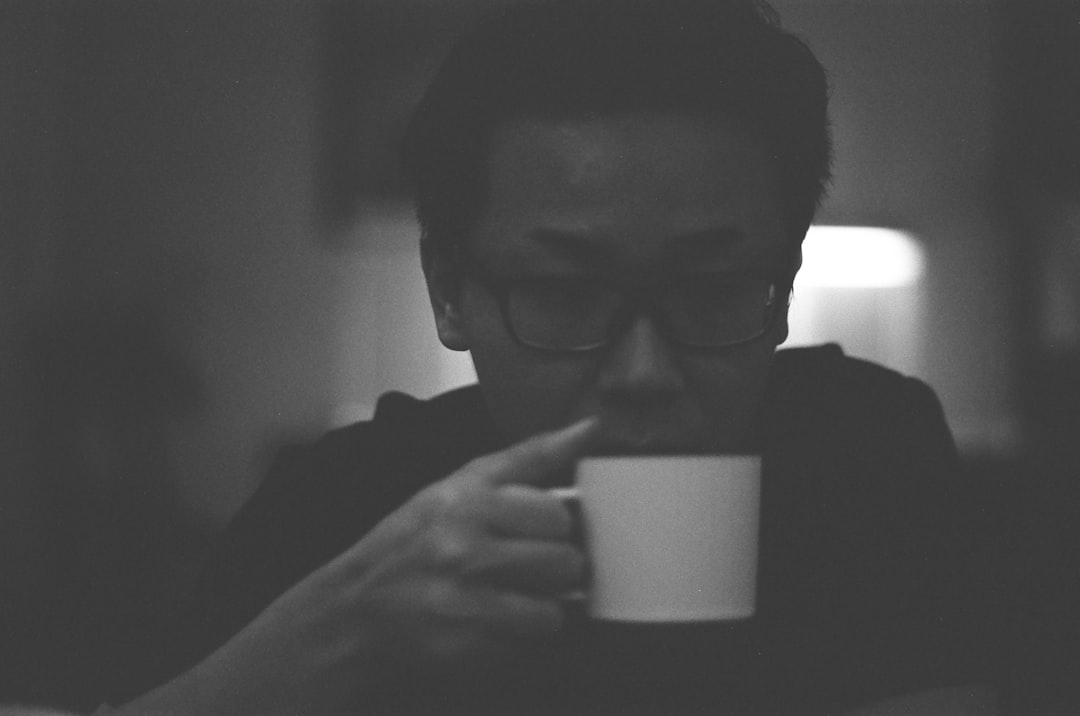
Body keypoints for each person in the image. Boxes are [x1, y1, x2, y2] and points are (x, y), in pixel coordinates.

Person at [109, 1, 996, 713]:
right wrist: (342, 631)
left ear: (787, 282)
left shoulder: (865, 451)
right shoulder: (350, 505)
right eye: (567, 297)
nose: (644, 371)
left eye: (713, 290)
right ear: (450, 291)